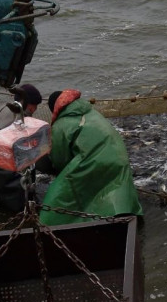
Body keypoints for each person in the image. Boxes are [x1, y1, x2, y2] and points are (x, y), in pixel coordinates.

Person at [39, 89, 143, 225]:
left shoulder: (61, 125)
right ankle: (122, 209)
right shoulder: (91, 112)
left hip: (95, 163)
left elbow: (60, 160)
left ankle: (53, 224)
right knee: (111, 185)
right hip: (118, 157)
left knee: (57, 196)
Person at [0, 84, 42, 212]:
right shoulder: (19, 116)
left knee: (4, 200)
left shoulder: (2, 108)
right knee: (17, 203)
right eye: (34, 105)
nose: (35, 109)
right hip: (5, 167)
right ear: (26, 103)